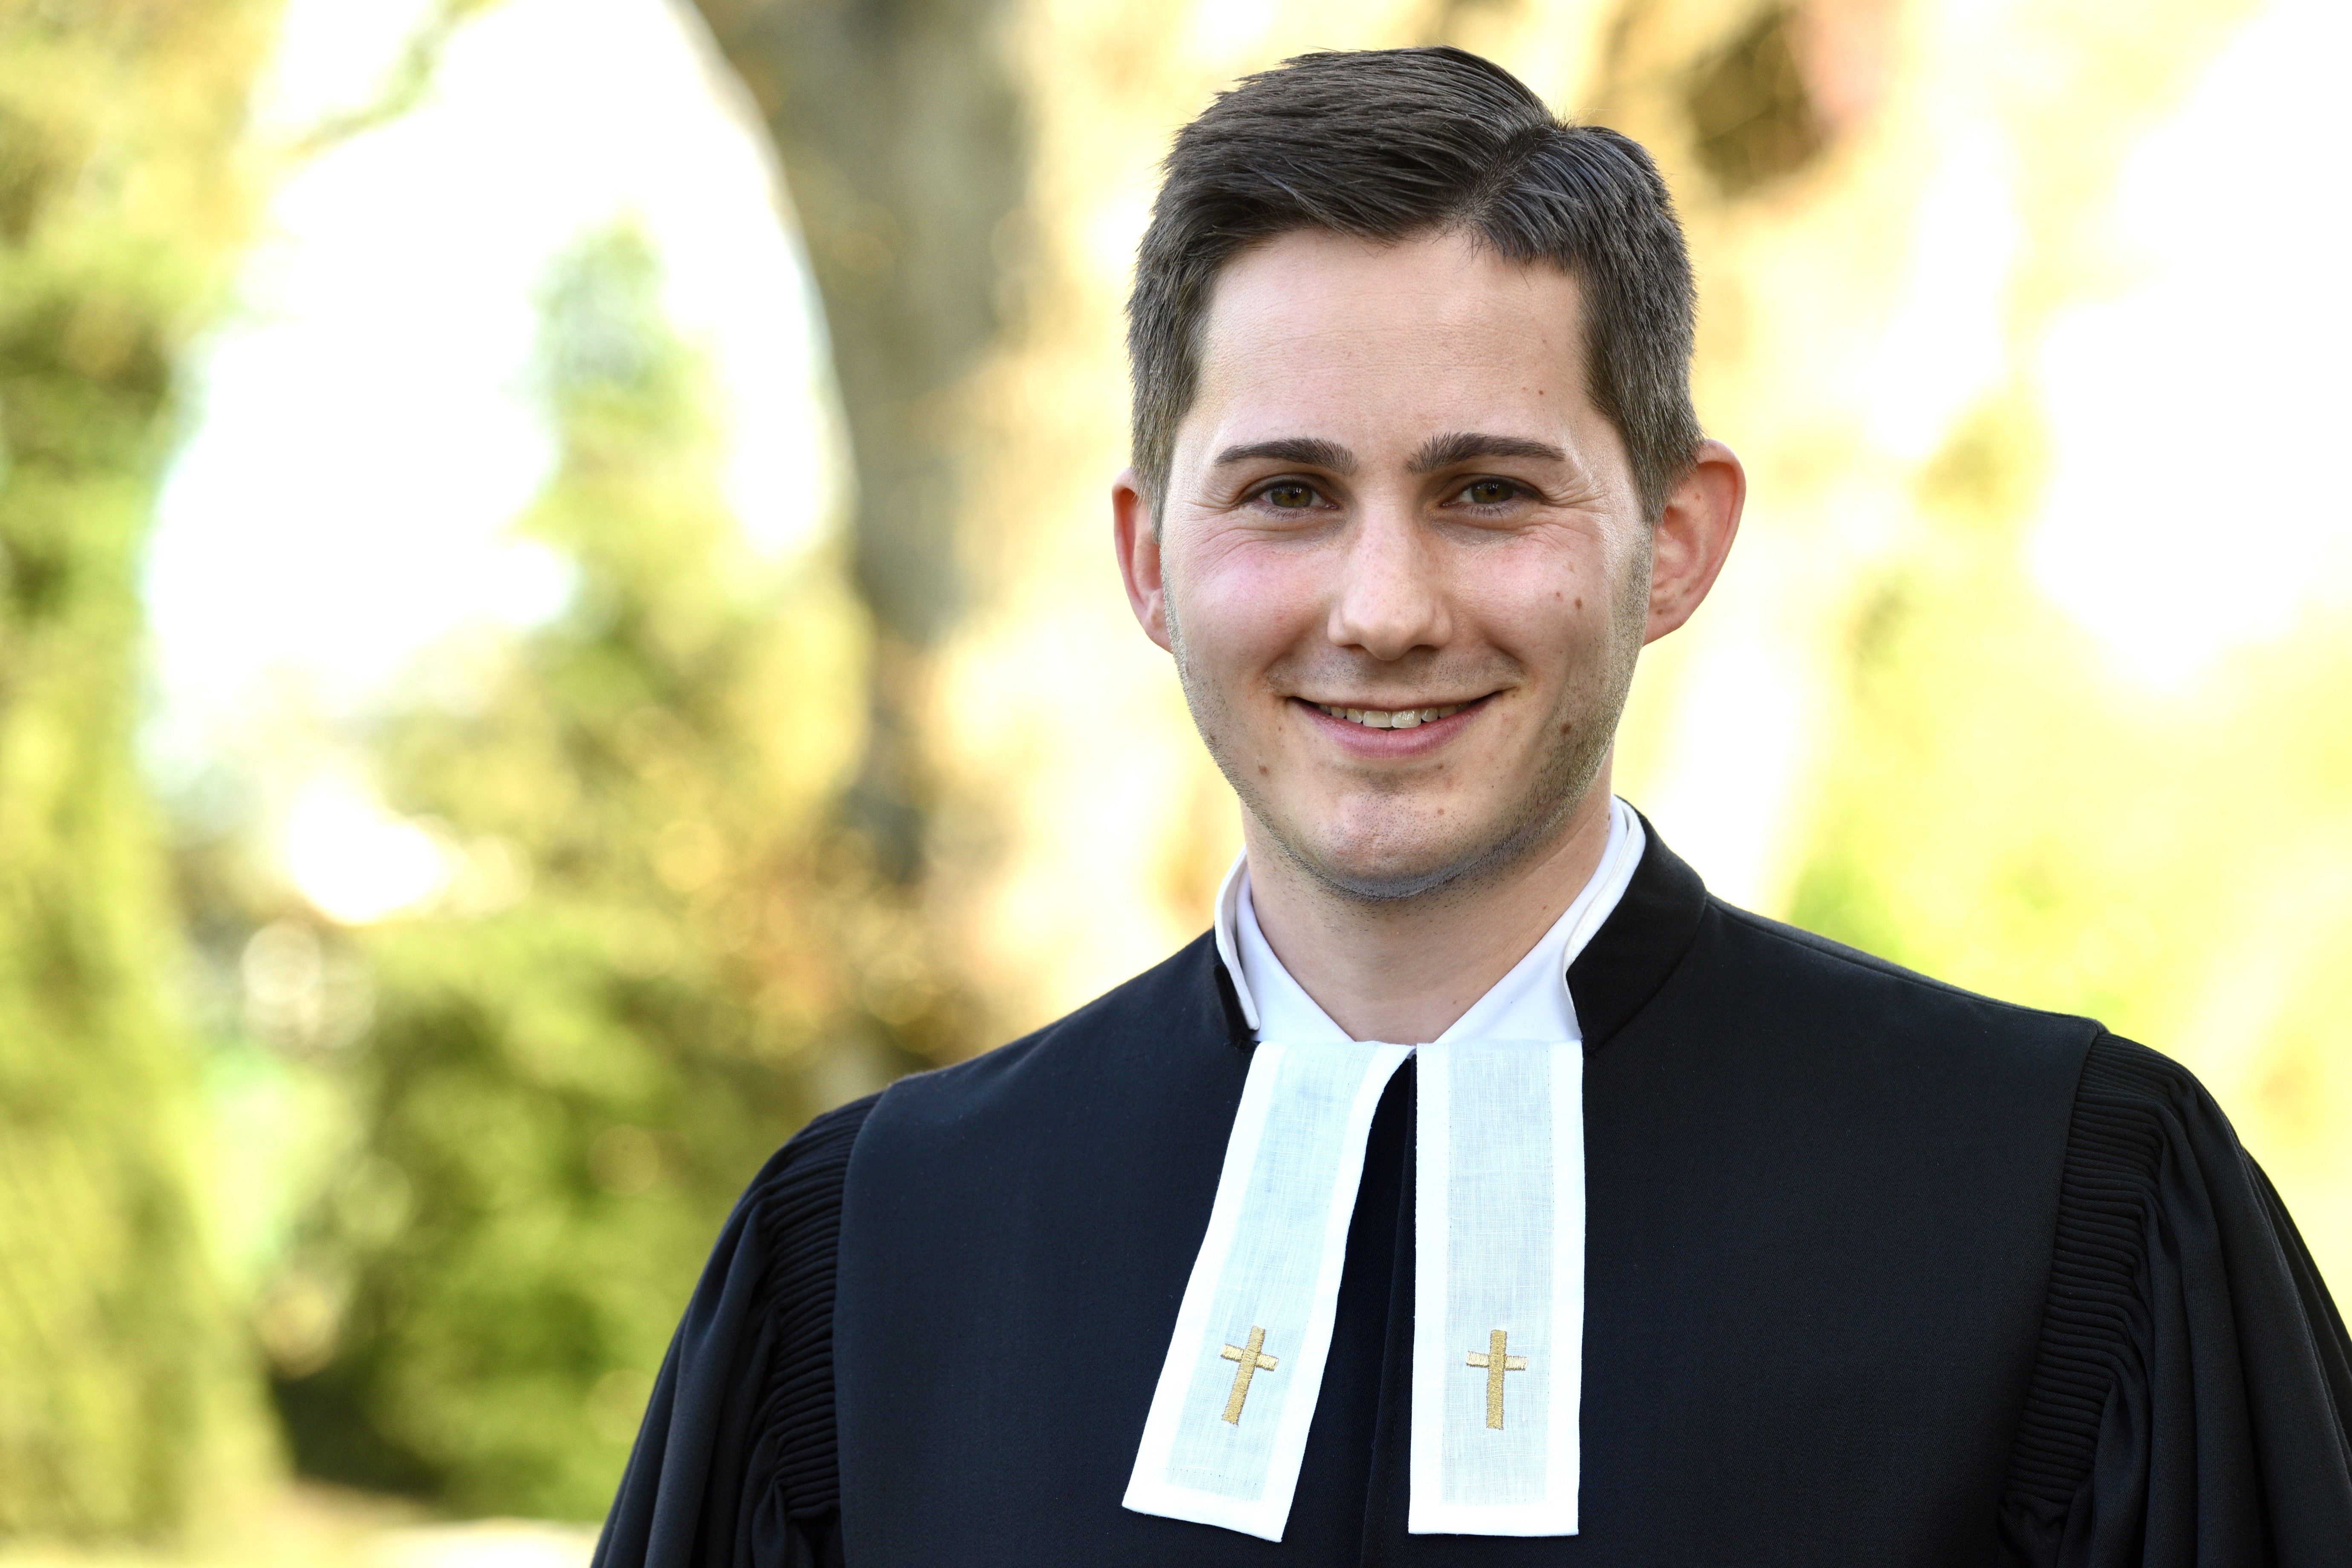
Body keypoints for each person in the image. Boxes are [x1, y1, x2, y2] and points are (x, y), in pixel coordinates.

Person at [594, 46, 2352, 1568]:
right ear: (1148, 559)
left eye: (1490, 492)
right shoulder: (872, 1253)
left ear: (1677, 540)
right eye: (1286, 492)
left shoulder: (2061, 1209)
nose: (1383, 609)